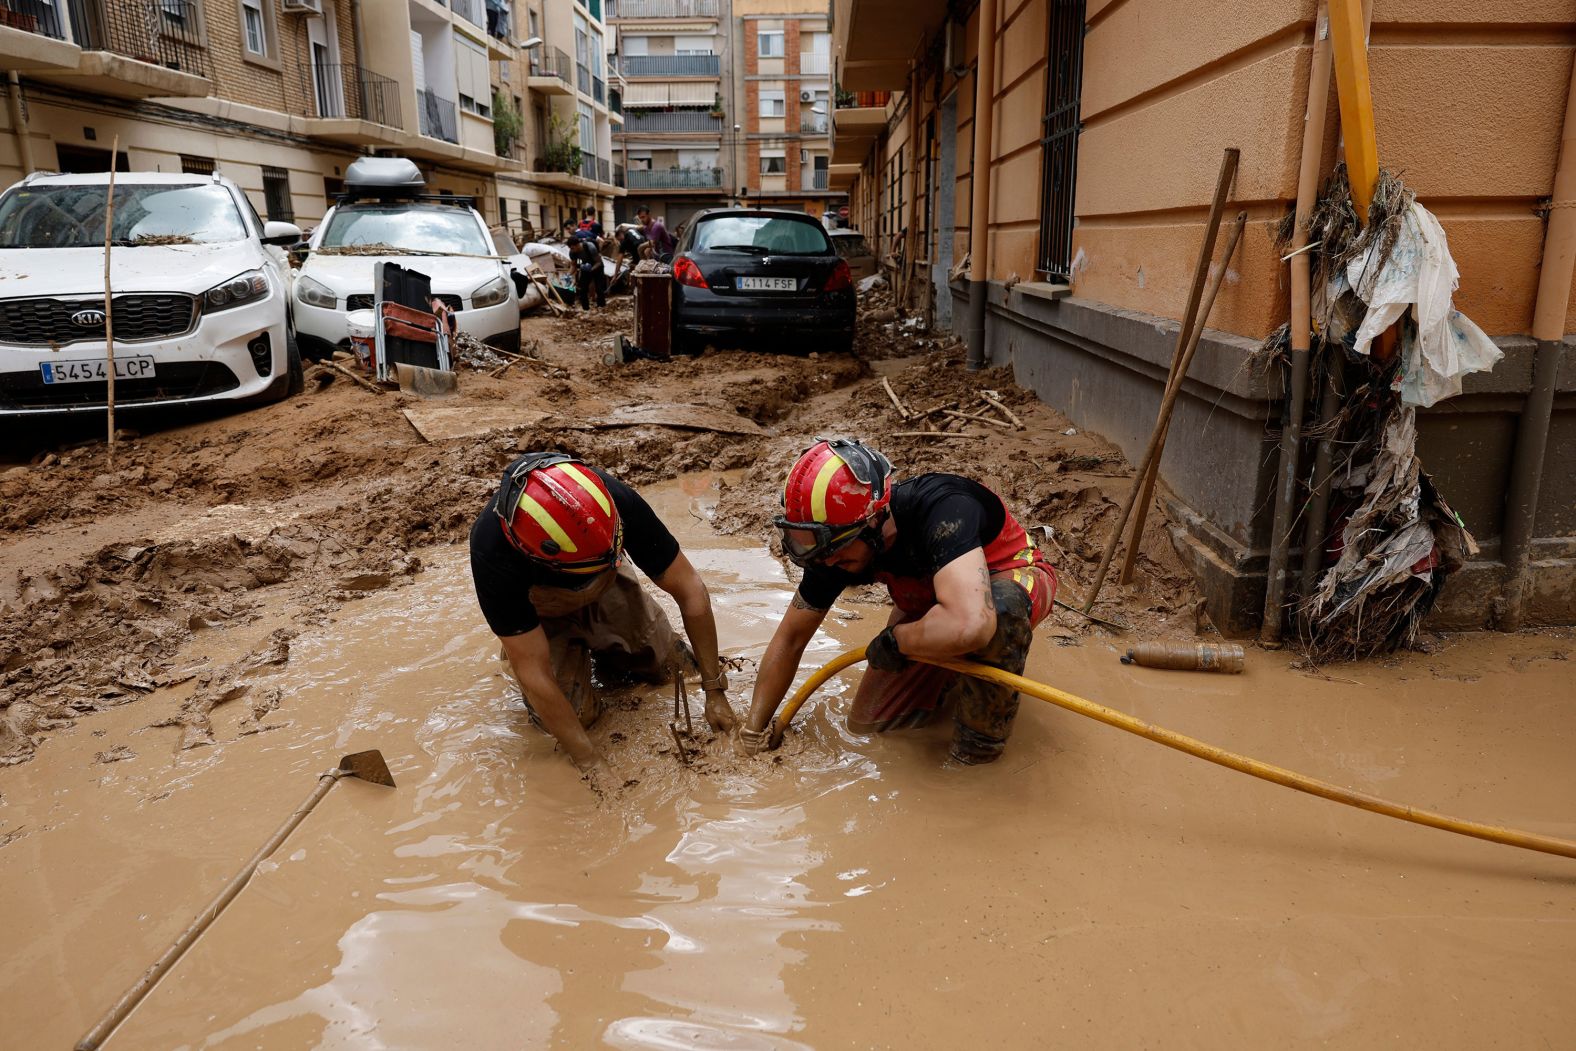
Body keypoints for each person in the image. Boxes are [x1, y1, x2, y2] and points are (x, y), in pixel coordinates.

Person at [736, 438, 1058, 765]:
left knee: (996, 617)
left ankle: (976, 755)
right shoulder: (835, 547)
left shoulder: (942, 507)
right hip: (933, 602)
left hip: (1009, 581)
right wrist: (753, 731)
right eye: (820, 553)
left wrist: (899, 640)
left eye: (835, 551)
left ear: (875, 521)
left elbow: (971, 624)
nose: (828, 563)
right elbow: (790, 639)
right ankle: (949, 672)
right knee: (868, 725)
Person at [470, 453, 738, 794]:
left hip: (606, 581)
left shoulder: (611, 500)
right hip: (540, 613)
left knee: (676, 671)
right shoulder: (491, 549)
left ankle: (611, 648)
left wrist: (715, 690)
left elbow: (691, 589)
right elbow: (534, 669)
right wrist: (591, 763)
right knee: (573, 720)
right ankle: (519, 651)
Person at [570, 232, 606, 309]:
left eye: (572, 248)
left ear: (577, 245)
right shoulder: (573, 253)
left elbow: (598, 262)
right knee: (582, 289)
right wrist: (568, 275)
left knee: (599, 289)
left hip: (597, 268)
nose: (571, 250)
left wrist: (591, 269)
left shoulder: (590, 247)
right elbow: (574, 264)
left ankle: (601, 307)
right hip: (585, 269)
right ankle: (585, 309)